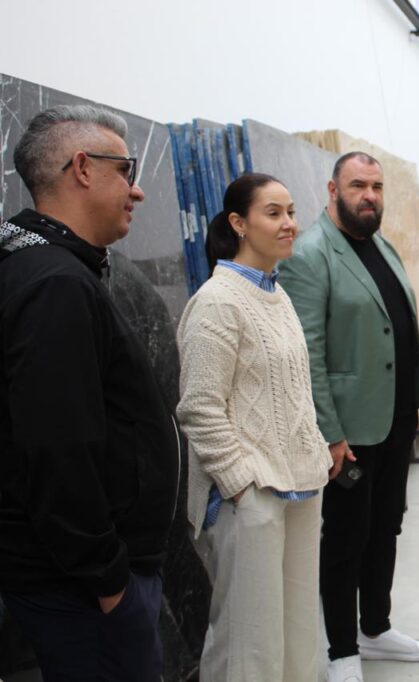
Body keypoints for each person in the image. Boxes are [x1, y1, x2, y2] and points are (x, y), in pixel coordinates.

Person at [0, 105, 179, 681]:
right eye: (125, 171)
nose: (137, 190)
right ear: (81, 168)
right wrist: (109, 581)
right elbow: (58, 449)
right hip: (85, 589)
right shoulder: (56, 284)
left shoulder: (43, 265)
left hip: (81, 578)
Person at [279, 152, 419, 682]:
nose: (369, 195)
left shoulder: (381, 245)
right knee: (346, 538)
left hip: (394, 418)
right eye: (357, 185)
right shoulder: (310, 255)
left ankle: (376, 627)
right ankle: (342, 651)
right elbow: (308, 355)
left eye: (376, 186)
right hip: (349, 430)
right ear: (332, 190)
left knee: (386, 525)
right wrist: (330, 434)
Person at [175, 173, 335, 682]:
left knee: (298, 635)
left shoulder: (276, 294)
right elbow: (199, 408)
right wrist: (243, 487)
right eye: (273, 213)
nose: (289, 224)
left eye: (291, 212)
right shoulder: (217, 301)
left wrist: (312, 454)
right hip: (252, 497)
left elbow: (293, 391)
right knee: (249, 644)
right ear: (239, 223)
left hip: (300, 486)